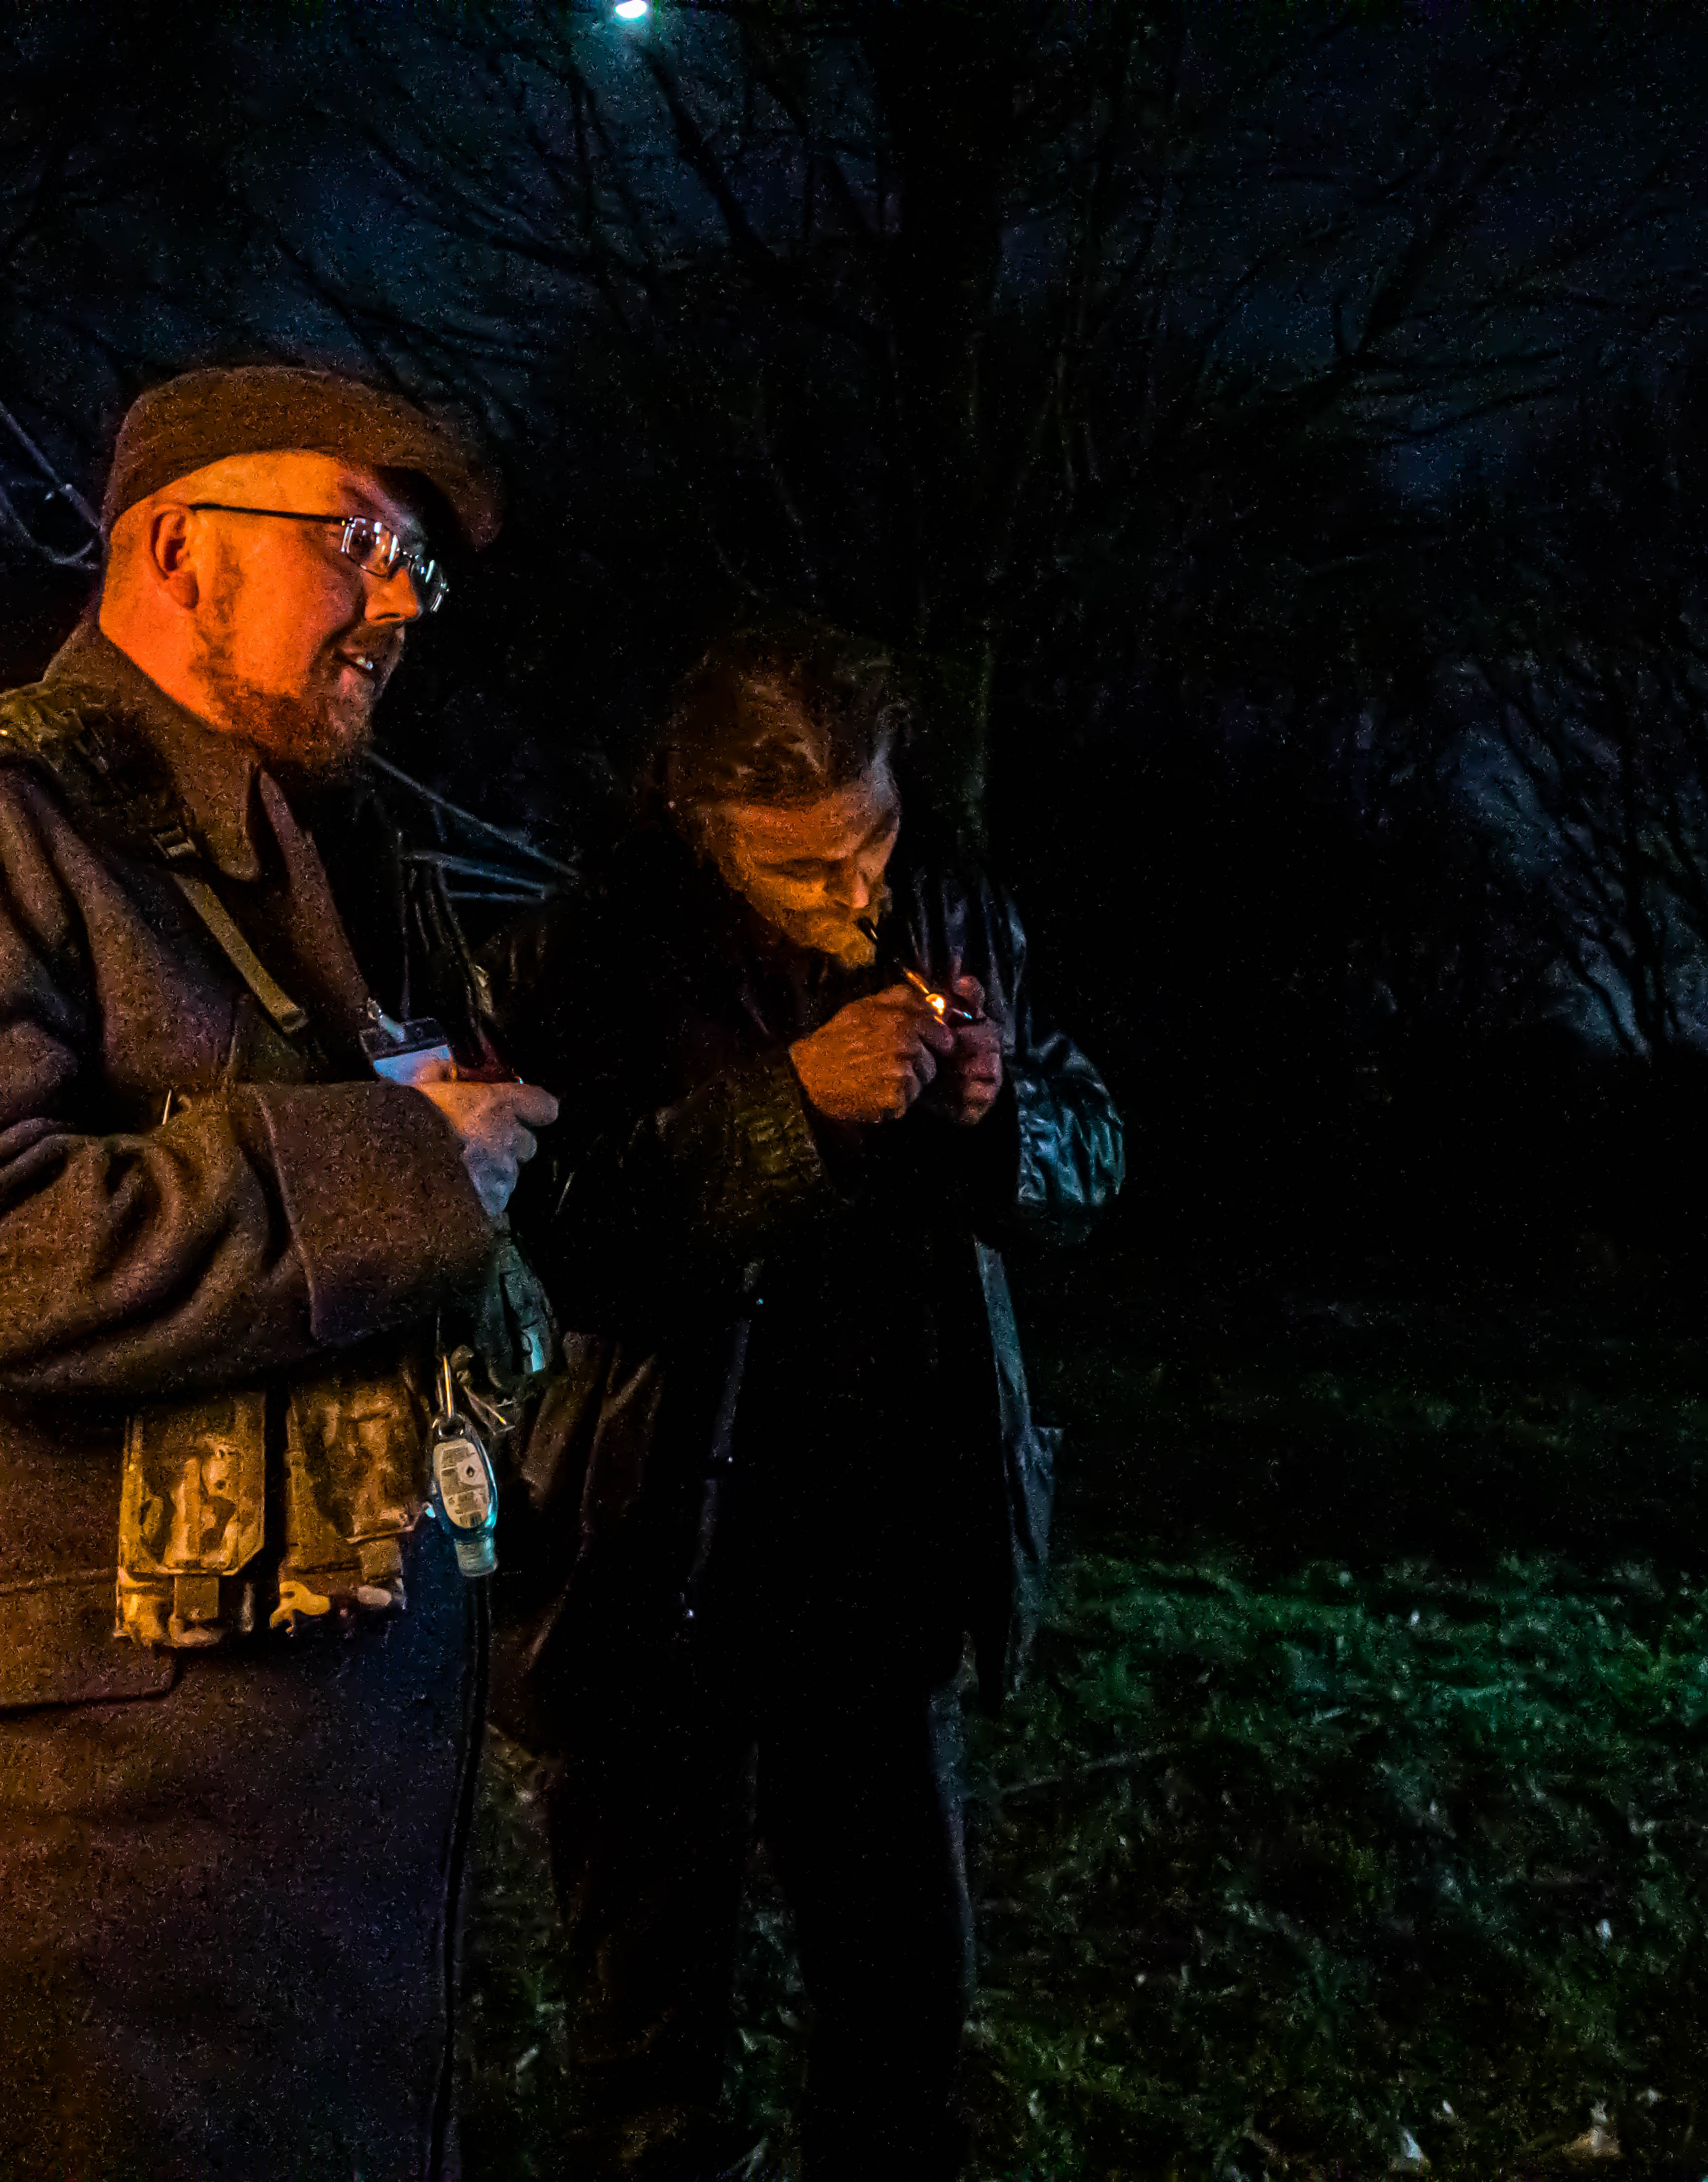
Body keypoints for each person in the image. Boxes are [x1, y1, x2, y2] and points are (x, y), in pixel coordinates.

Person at [0, 365, 559, 2182]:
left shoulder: (347, 861)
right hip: (73, 1833)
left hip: (292, 1810)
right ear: (178, 549)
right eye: (358, 544)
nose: (399, 605)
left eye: (416, 568)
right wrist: (404, 1169)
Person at [484, 621, 1124, 2181]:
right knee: (651, 2061)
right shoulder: (583, 960)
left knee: (905, 2026)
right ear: (701, 826)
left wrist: (1002, 1119)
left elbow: (1094, 1151)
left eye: (873, 841)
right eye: (802, 868)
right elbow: (560, 1241)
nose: (855, 893)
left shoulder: (957, 906)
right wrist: (792, 1109)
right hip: (651, 1568)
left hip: (889, 1564)